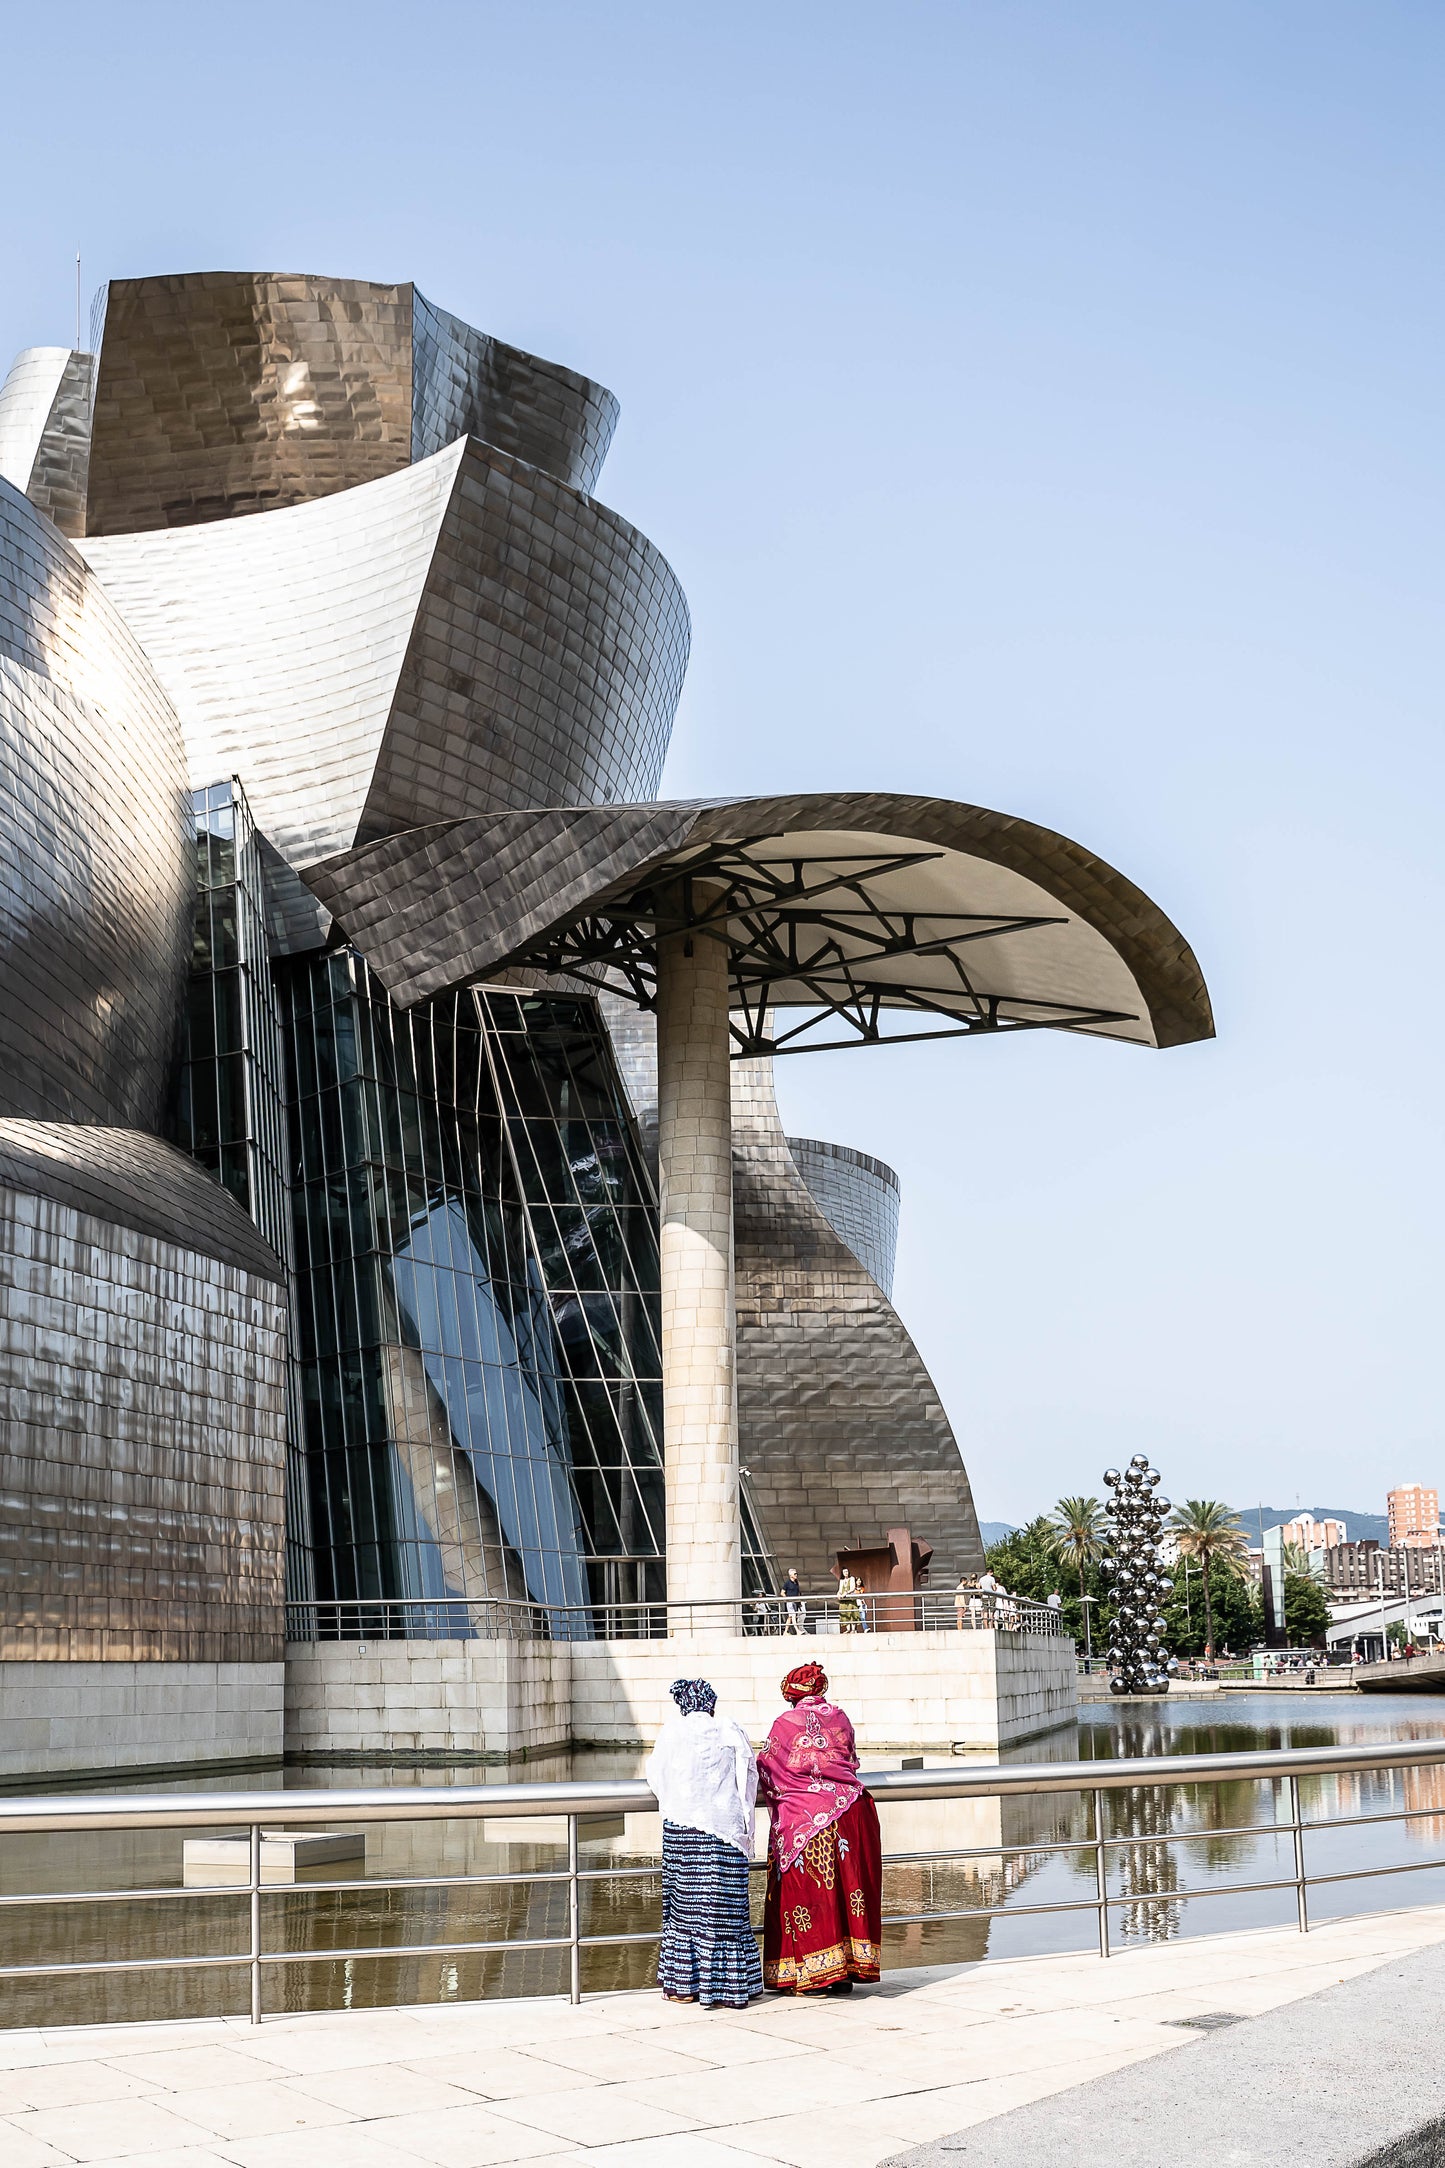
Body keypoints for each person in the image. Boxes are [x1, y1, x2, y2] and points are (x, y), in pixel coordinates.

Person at [756, 1661, 883, 1995]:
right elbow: (850, 1759)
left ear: (791, 1696)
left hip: (804, 1820)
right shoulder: (840, 1717)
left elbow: (768, 1769)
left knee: (811, 1898)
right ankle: (844, 1971)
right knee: (846, 1892)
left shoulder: (784, 1724)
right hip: (849, 1811)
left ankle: (816, 1975)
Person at [645, 1677, 763, 2008]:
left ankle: (684, 1987)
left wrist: (678, 1803)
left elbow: (656, 1775)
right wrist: (747, 1830)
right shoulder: (729, 1728)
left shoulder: (672, 1731)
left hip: (683, 1830)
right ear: (711, 1704)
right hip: (725, 1832)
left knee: (684, 1911)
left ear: (683, 1705)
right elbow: (748, 1778)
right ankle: (731, 1988)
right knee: (726, 1911)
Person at [837, 1569, 863, 1634]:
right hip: (844, 1600)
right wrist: (838, 1594)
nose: (846, 1573)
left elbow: (852, 1588)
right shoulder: (841, 1581)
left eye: (847, 1571)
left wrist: (846, 1593)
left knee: (852, 1613)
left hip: (850, 1599)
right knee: (845, 1613)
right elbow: (840, 1590)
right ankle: (848, 1629)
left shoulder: (851, 1578)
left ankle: (853, 1629)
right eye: (844, 1572)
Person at [782, 1568, 805, 1635]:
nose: (796, 1575)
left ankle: (785, 1632)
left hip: (795, 1602)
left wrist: (799, 1602)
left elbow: (797, 1593)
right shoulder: (787, 1583)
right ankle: (797, 1631)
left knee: (790, 1617)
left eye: (796, 1573)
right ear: (791, 1575)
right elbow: (782, 1592)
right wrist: (787, 1599)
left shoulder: (796, 1582)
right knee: (793, 1615)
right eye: (795, 1574)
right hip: (790, 1602)